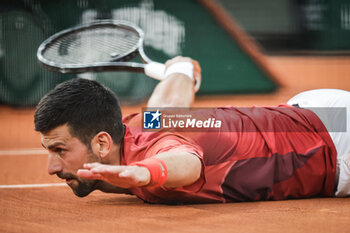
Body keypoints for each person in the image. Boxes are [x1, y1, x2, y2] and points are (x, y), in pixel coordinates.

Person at [34, 56, 350, 204]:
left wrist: (147, 173)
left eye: (60, 149)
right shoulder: (136, 124)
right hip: (311, 114)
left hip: (337, 146)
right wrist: (181, 70)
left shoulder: (157, 152)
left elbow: (185, 162)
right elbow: (167, 105)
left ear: (102, 143)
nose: (51, 168)